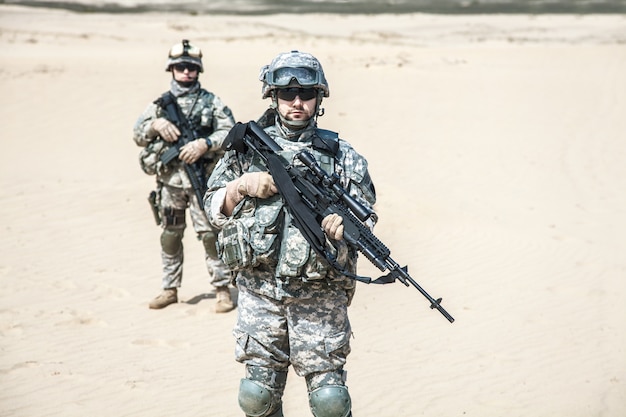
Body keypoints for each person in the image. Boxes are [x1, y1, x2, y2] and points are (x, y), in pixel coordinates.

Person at [204, 51, 377, 417]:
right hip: (259, 292)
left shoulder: (343, 157)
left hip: (319, 296)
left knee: (330, 401)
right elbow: (211, 207)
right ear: (273, 97)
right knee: (256, 395)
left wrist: (345, 230)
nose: (297, 103)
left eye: (307, 94)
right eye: (286, 95)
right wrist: (239, 187)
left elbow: (366, 220)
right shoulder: (244, 151)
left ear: (320, 98)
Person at [133, 39, 236, 313]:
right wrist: (156, 124)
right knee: (170, 235)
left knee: (210, 235)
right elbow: (137, 134)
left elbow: (230, 132)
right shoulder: (159, 105)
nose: (186, 72)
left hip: (201, 181)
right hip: (170, 184)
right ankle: (169, 288)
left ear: (199, 69)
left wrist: (205, 144)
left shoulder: (211, 102)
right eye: (181, 67)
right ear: (172, 69)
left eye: (191, 67)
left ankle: (222, 289)